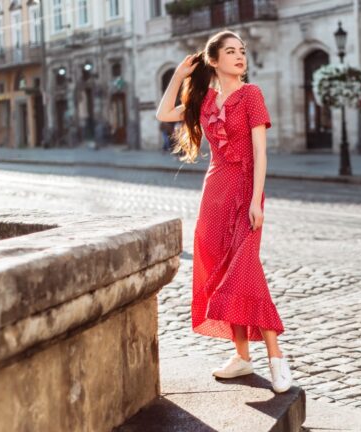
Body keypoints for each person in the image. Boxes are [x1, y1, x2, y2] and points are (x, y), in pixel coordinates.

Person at [155, 30, 292, 394]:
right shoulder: (205, 101)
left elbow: (261, 153)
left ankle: (276, 356)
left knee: (244, 270)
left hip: (245, 190)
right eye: (230, 51)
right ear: (214, 61)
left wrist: (255, 200)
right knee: (219, 272)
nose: (239, 56)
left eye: (242, 51)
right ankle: (242, 356)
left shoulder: (252, 95)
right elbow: (164, 112)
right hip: (213, 193)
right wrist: (179, 76)